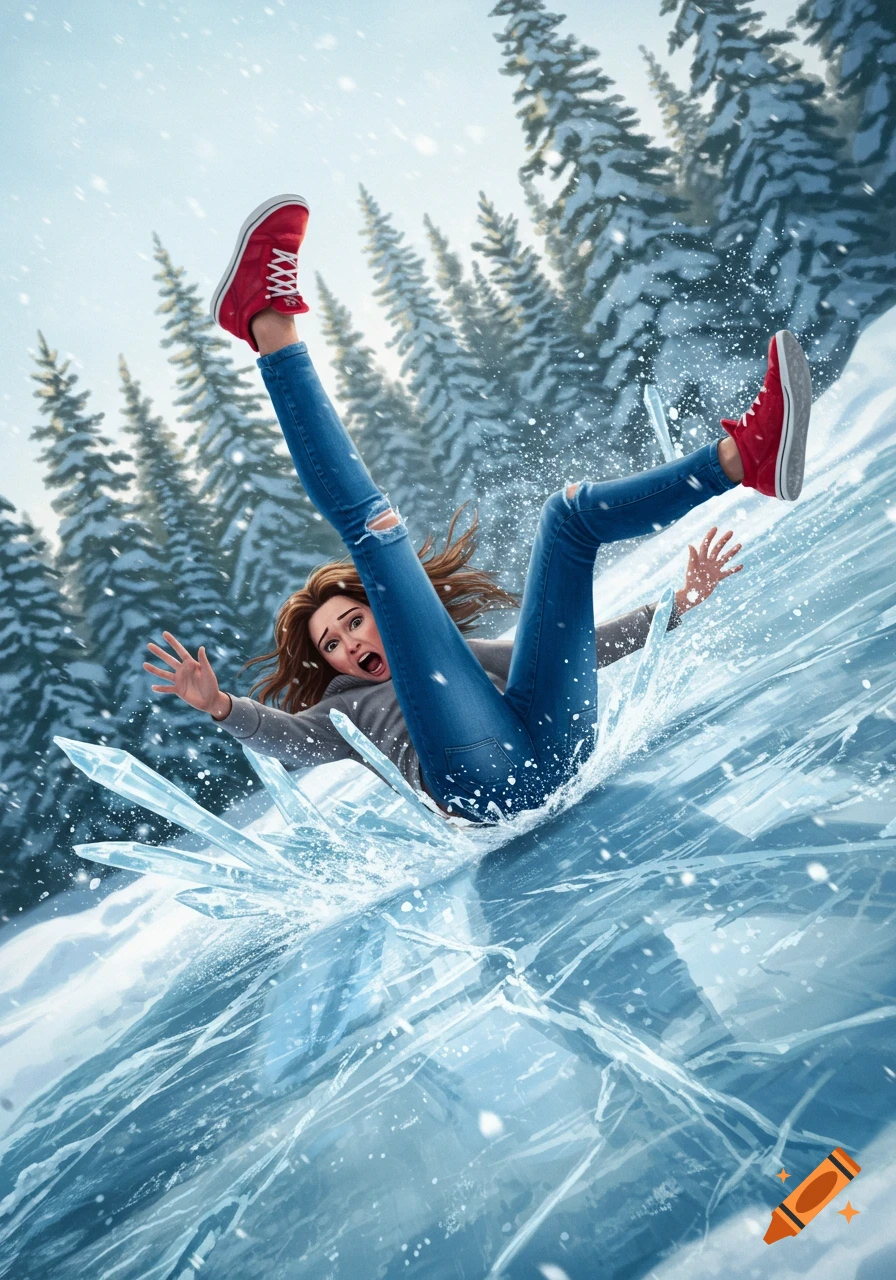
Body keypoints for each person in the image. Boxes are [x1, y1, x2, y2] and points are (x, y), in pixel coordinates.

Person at [144, 195, 812, 823]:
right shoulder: (344, 714)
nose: (350, 645)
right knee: (371, 529)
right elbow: (288, 740)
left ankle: (744, 462)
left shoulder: (460, 660)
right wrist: (221, 706)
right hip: (480, 785)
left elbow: (576, 650)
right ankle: (266, 320)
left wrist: (679, 605)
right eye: (333, 645)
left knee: (567, 519)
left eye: (352, 622)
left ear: (382, 615)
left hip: (555, 751)